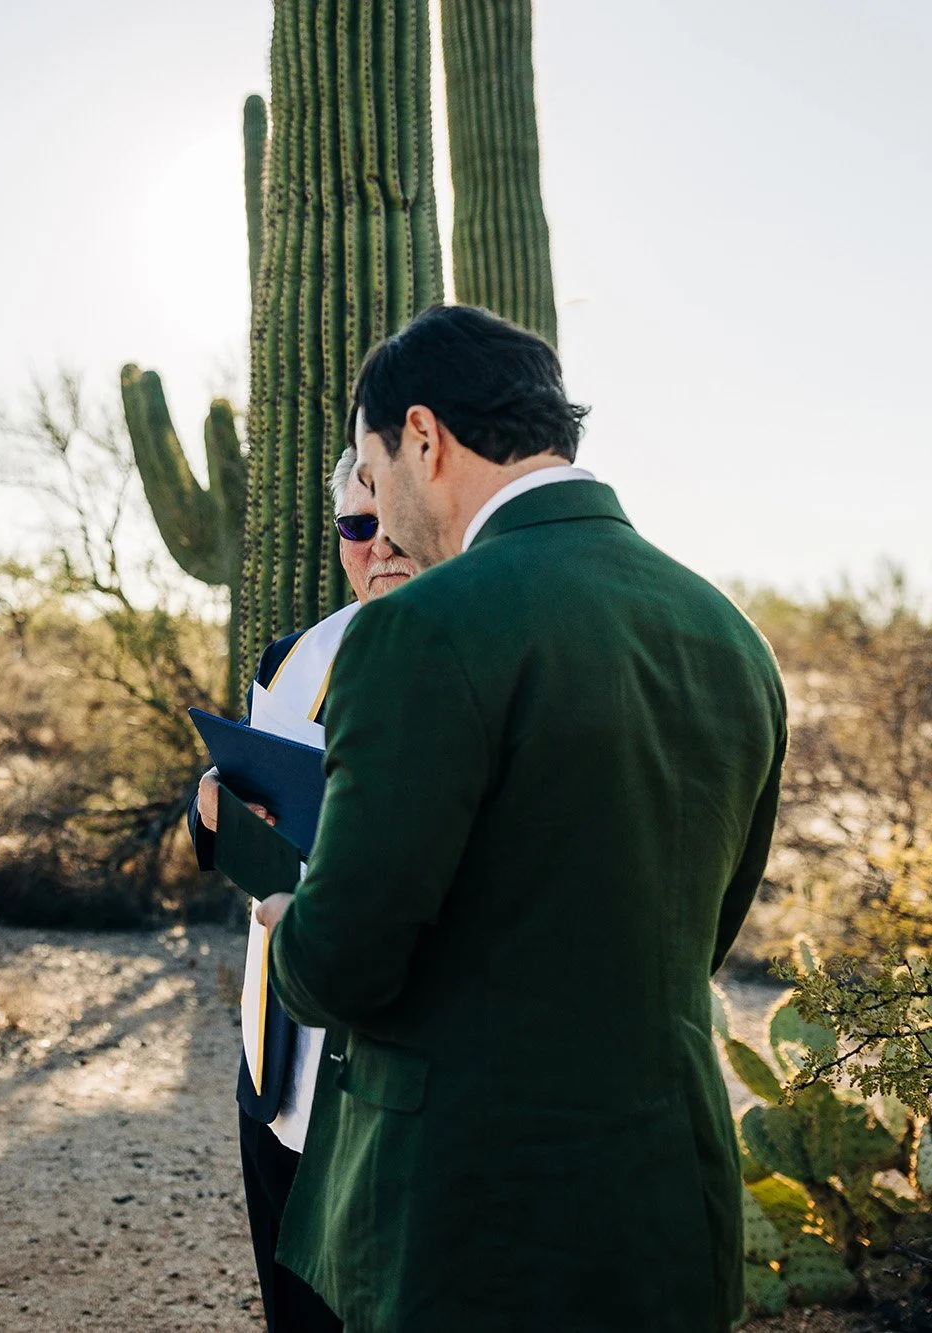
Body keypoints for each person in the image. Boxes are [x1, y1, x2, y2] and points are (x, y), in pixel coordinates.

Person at [252, 305, 786, 1331]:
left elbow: (345, 959)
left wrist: (290, 929)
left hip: (468, 1218)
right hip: (670, 1201)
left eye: (371, 467)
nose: (376, 508)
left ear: (422, 436)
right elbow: (701, 929)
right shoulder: (729, 634)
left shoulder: (419, 628)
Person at [189, 447, 417, 1332]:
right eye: (359, 528)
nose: (381, 547)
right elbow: (250, 798)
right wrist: (212, 809)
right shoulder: (290, 661)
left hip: (396, 1083)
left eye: (399, 525)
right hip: (279, 1064)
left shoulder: (489, 661)